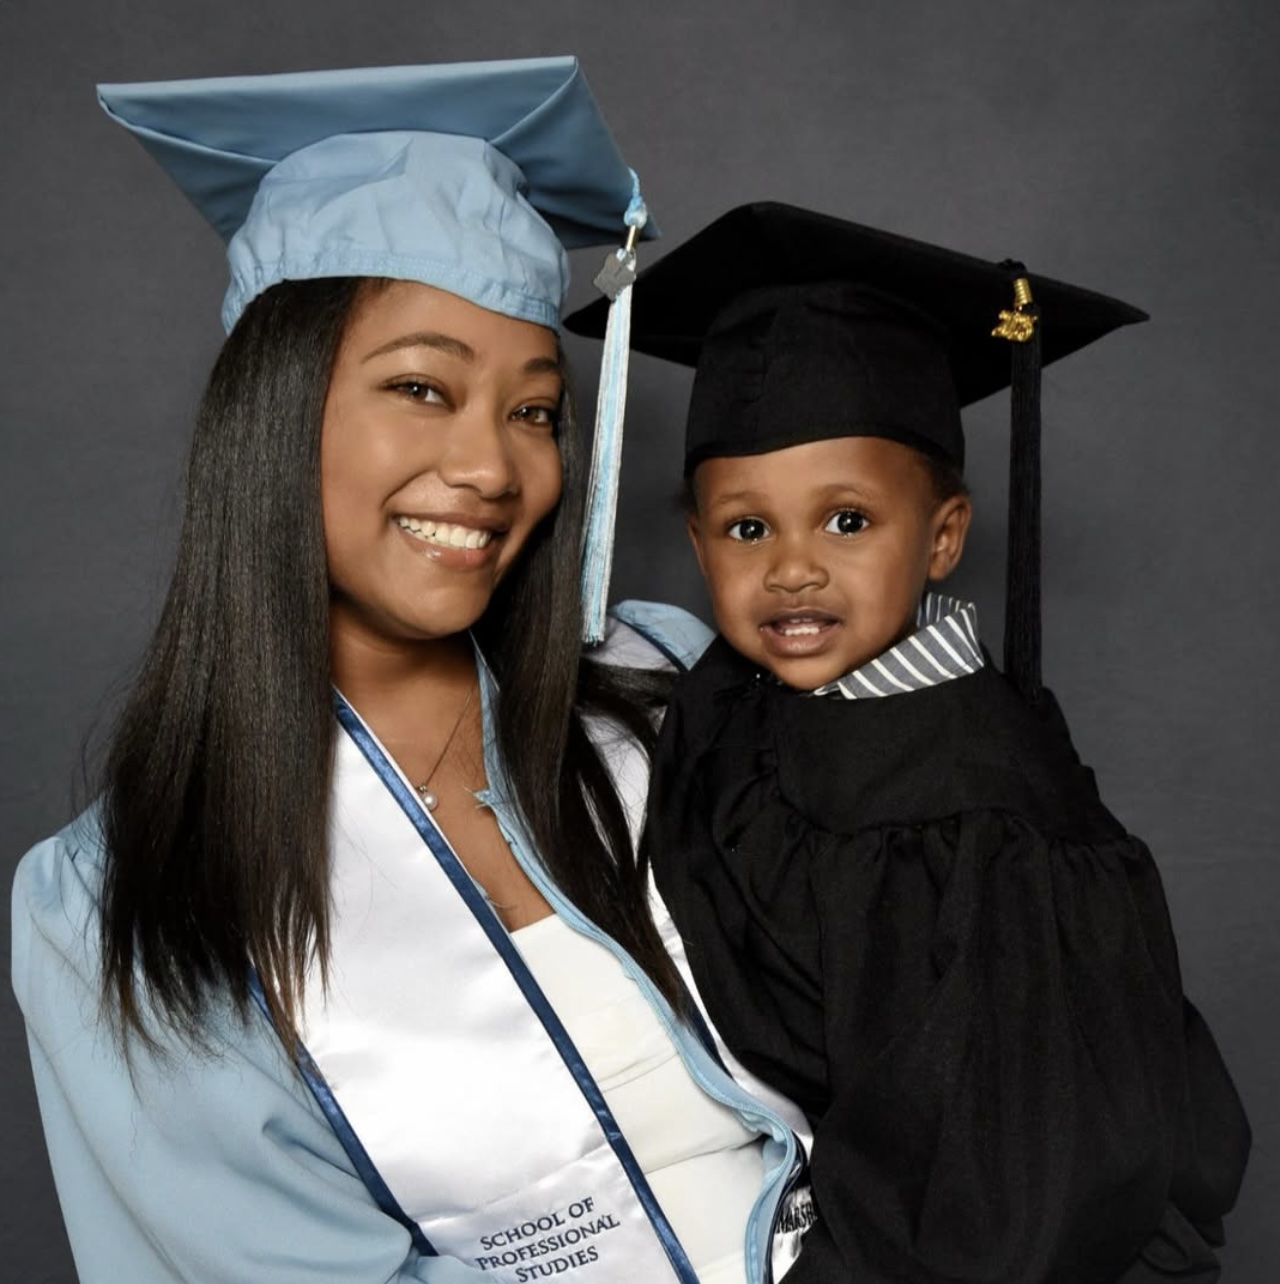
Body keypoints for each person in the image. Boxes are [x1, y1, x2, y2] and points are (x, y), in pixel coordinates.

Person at [10, 66, 816, 1284]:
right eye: (420, 389)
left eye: (534, 412)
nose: (491, 468)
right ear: (275, 413)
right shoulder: (127, 899)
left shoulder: (669, 688)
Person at [568, 201, 1251, 1282]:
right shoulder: (729, 704)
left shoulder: (983, 811)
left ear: (942, 537)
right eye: (747, 528)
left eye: (847, 520)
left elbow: (1003, 1189)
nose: (793, 567)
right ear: (697, 544)